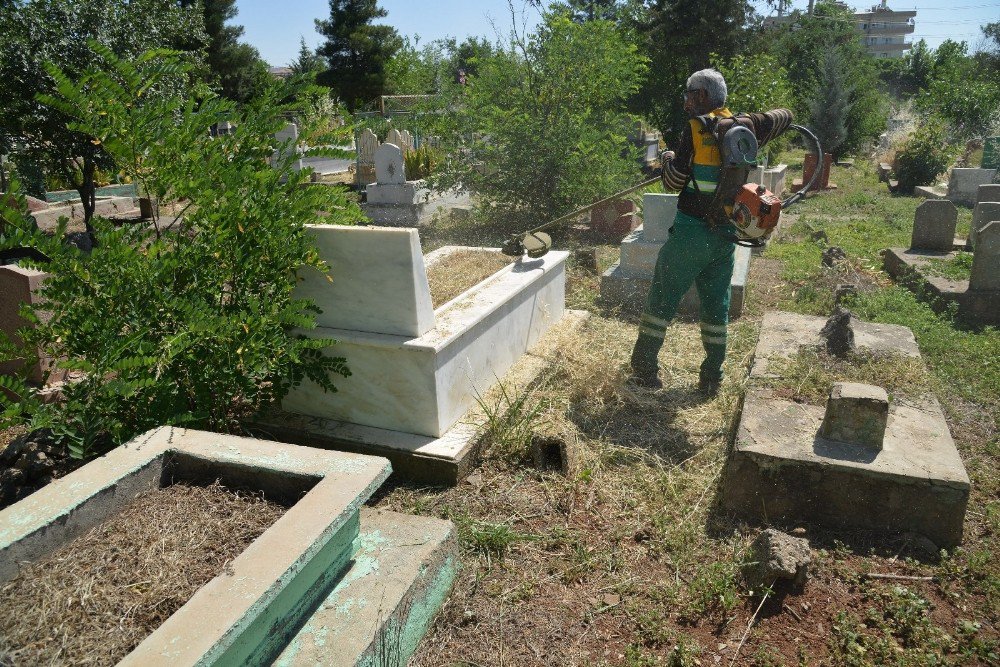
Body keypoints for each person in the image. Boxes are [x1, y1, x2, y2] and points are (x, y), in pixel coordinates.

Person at [629, 68, 792, 395]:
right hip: (725, 237)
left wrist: (668, 157)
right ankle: (711, 378)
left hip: (691, 235)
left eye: (689, 94)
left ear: (702, 96)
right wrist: (753, 118)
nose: (686, 101)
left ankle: (644, 373)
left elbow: (674, 181)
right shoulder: (748, 127)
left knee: (661, 300)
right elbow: (786, 116)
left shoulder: (694, 130)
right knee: (717, 308)